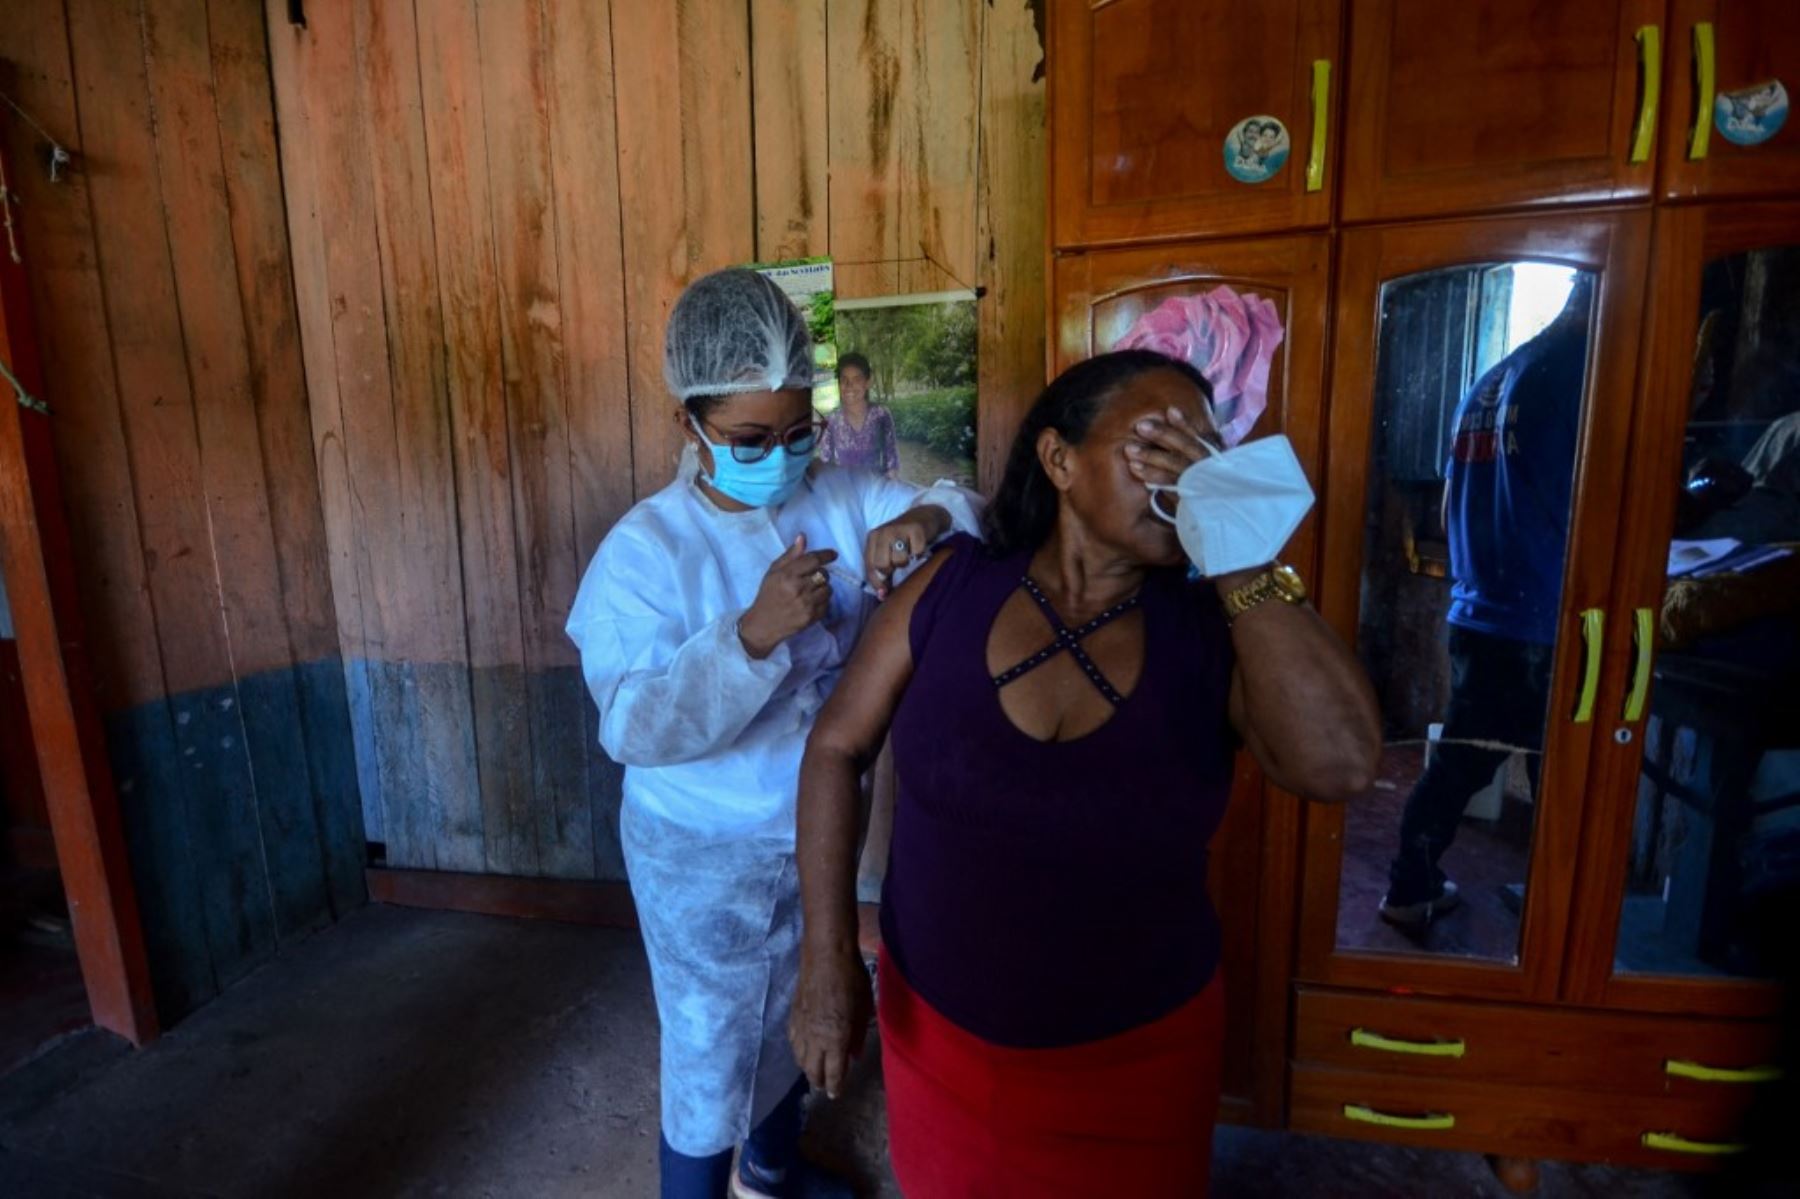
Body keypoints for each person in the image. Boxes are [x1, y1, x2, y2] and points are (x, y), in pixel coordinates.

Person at [788, 350, 1380, 1195]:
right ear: (1060, 460)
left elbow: (1345, 763)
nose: (1181, 472)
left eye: (1201, 454)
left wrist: (1240, 550)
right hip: (939, 1044)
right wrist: (826, 952)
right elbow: (837, 747)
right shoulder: (952, 587)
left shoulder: (1220, 626)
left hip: (1137, 1064)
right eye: (1154, 445)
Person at [565, 268, 980, 1199]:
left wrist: (916, 519)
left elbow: (966, 508)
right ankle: (699, 1184)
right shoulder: (645, 550)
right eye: (752, 440)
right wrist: (750, 636)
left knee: (802, 1016)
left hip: (813, 832)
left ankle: (772, 1162)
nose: (782, 457)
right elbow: (631, 723)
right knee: (712, 1045)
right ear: (691, 426)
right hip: (703, 850)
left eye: (799, 432)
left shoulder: (832, 494)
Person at [1380, 278, 1592, 928]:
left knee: (1458, 764)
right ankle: (1562, 935)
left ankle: (1411, 888)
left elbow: (1448, 509)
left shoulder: (1494, 375)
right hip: (1549, 614)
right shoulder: (1588, 370)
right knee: (1574, 775)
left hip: (1481, 608)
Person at [818, 353, 900, 478]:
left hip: (877, 491)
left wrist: (887, 490)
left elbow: (892, 463)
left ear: (867, 383)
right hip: (844, 491)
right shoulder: (831, 420)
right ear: (839, 384)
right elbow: (825, 465)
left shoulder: (881, 415)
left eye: (856, 380)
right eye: (844, 380)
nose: (849, 386)